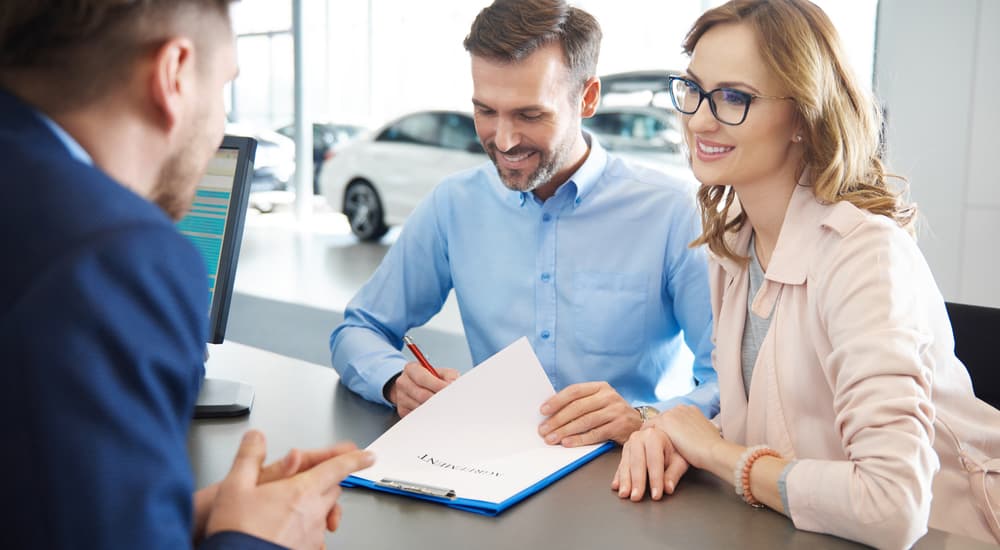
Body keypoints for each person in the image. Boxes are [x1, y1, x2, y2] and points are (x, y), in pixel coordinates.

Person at [612, 1, 1000, 548]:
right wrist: (672, 434)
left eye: (733, 98)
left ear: (803, 117)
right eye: (694, 89)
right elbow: (782, 426)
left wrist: (716, 454)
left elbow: (893, 505)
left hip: (954, 536)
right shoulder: (735, 246)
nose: (699, 119)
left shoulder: (864, 256)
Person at [0, 2, 373, 548]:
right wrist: (256, 539)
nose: (221, 123)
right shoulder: (115, 255)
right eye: (224, 87)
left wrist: (176, 515)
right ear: (173, 73)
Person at [330, 0, 718, 448]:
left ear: (587, 98)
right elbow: (358, 330)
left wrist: (644, 417)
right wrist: (396, 379)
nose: (504, 139)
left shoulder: (671, 212)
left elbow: (728, 384)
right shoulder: (453, 205)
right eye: (485, 111)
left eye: (529, 115)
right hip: (492, 463)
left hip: (624, 472)